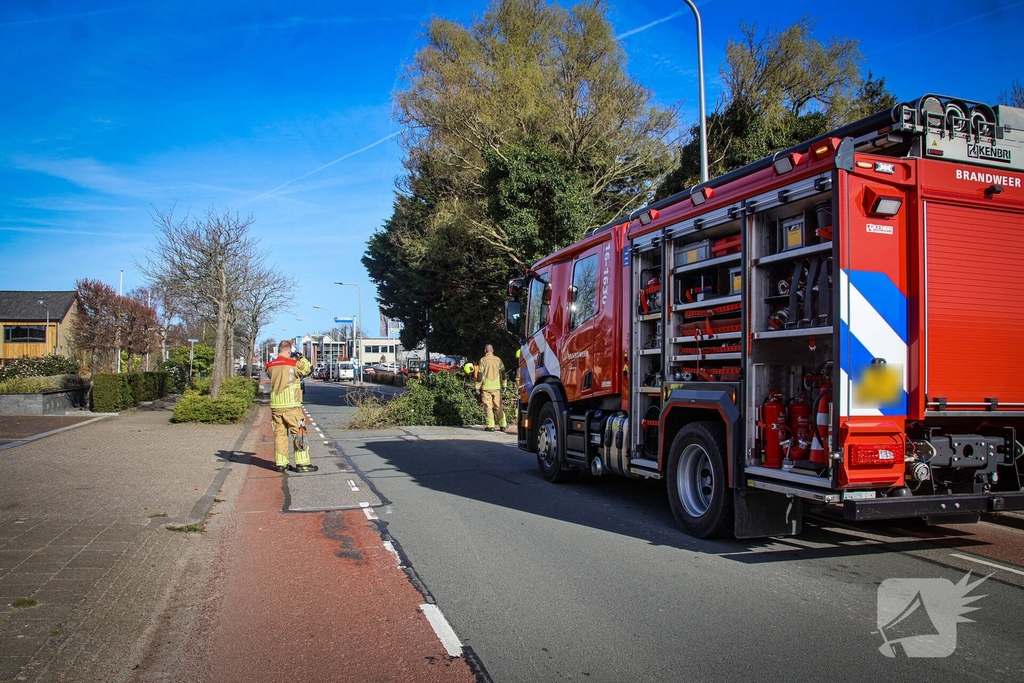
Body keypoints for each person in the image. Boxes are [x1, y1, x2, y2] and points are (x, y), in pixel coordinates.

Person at [266, 340, 317, 473]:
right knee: (299, 433)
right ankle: (303, 463)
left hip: (276, 405)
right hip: (291, 404)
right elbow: (308, 369)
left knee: (280, 435)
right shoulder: (293, 364)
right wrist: (300, 357)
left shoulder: (269, 366)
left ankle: (281, 464)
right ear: (289, 351)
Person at [474, 344, 507, 432]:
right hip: (497, 387)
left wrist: (477, 387)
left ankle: (490, 426)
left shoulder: (482, 360)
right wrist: (504, 385)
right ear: (493, 350)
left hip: (486, 388)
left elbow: (480, 375)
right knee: (499, 406)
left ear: (485, 351)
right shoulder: (498, 360)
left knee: (488, 407)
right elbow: (503, 374)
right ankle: (503, 425)